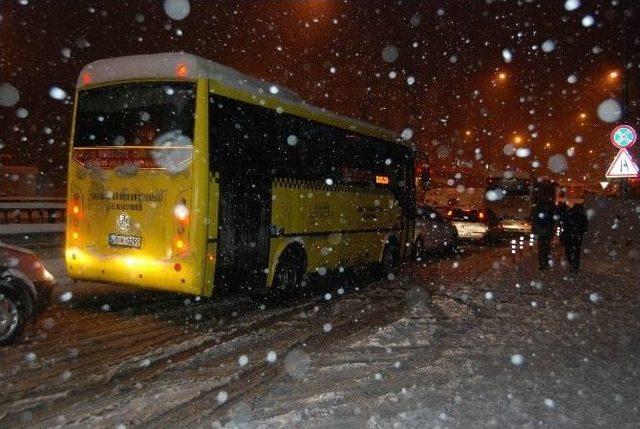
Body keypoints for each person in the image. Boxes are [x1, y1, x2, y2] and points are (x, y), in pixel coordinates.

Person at [559, 203, 588, 273]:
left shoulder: (568, 214)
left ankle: (572, 263)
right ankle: (575, 265)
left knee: (569, 250)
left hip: (569, 235)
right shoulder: (581, 216)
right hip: (577, 236)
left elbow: (563, 223)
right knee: (576, 252)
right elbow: (585, 227)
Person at [530, 198, 556, 270]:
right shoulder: (549, 210)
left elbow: (534, 220)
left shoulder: (537, 210)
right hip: (547, 232)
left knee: (541, 248)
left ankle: (542, 264)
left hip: (540, 232)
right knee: (547, 248)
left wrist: (534, 231)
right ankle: (546, 263)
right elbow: (553, 221)